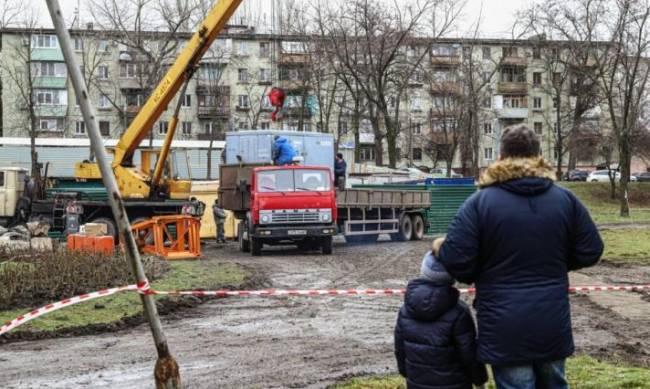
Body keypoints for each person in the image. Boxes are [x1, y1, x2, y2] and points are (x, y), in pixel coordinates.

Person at [435, 125, 604, 389]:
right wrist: (557, 262)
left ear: (500, 157)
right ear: (538, 156)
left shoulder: (479, 203)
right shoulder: (565, 200)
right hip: (551, 320)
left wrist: (474, 267)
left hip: (503, 326)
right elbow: (591, 249)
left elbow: (457, 261)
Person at [394, 242, 488, 389]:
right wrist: (480, 381)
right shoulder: (459, 312)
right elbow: (469, 354)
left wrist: (407, 373)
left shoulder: (405, 311)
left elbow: (400, 349)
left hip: (417, 383)